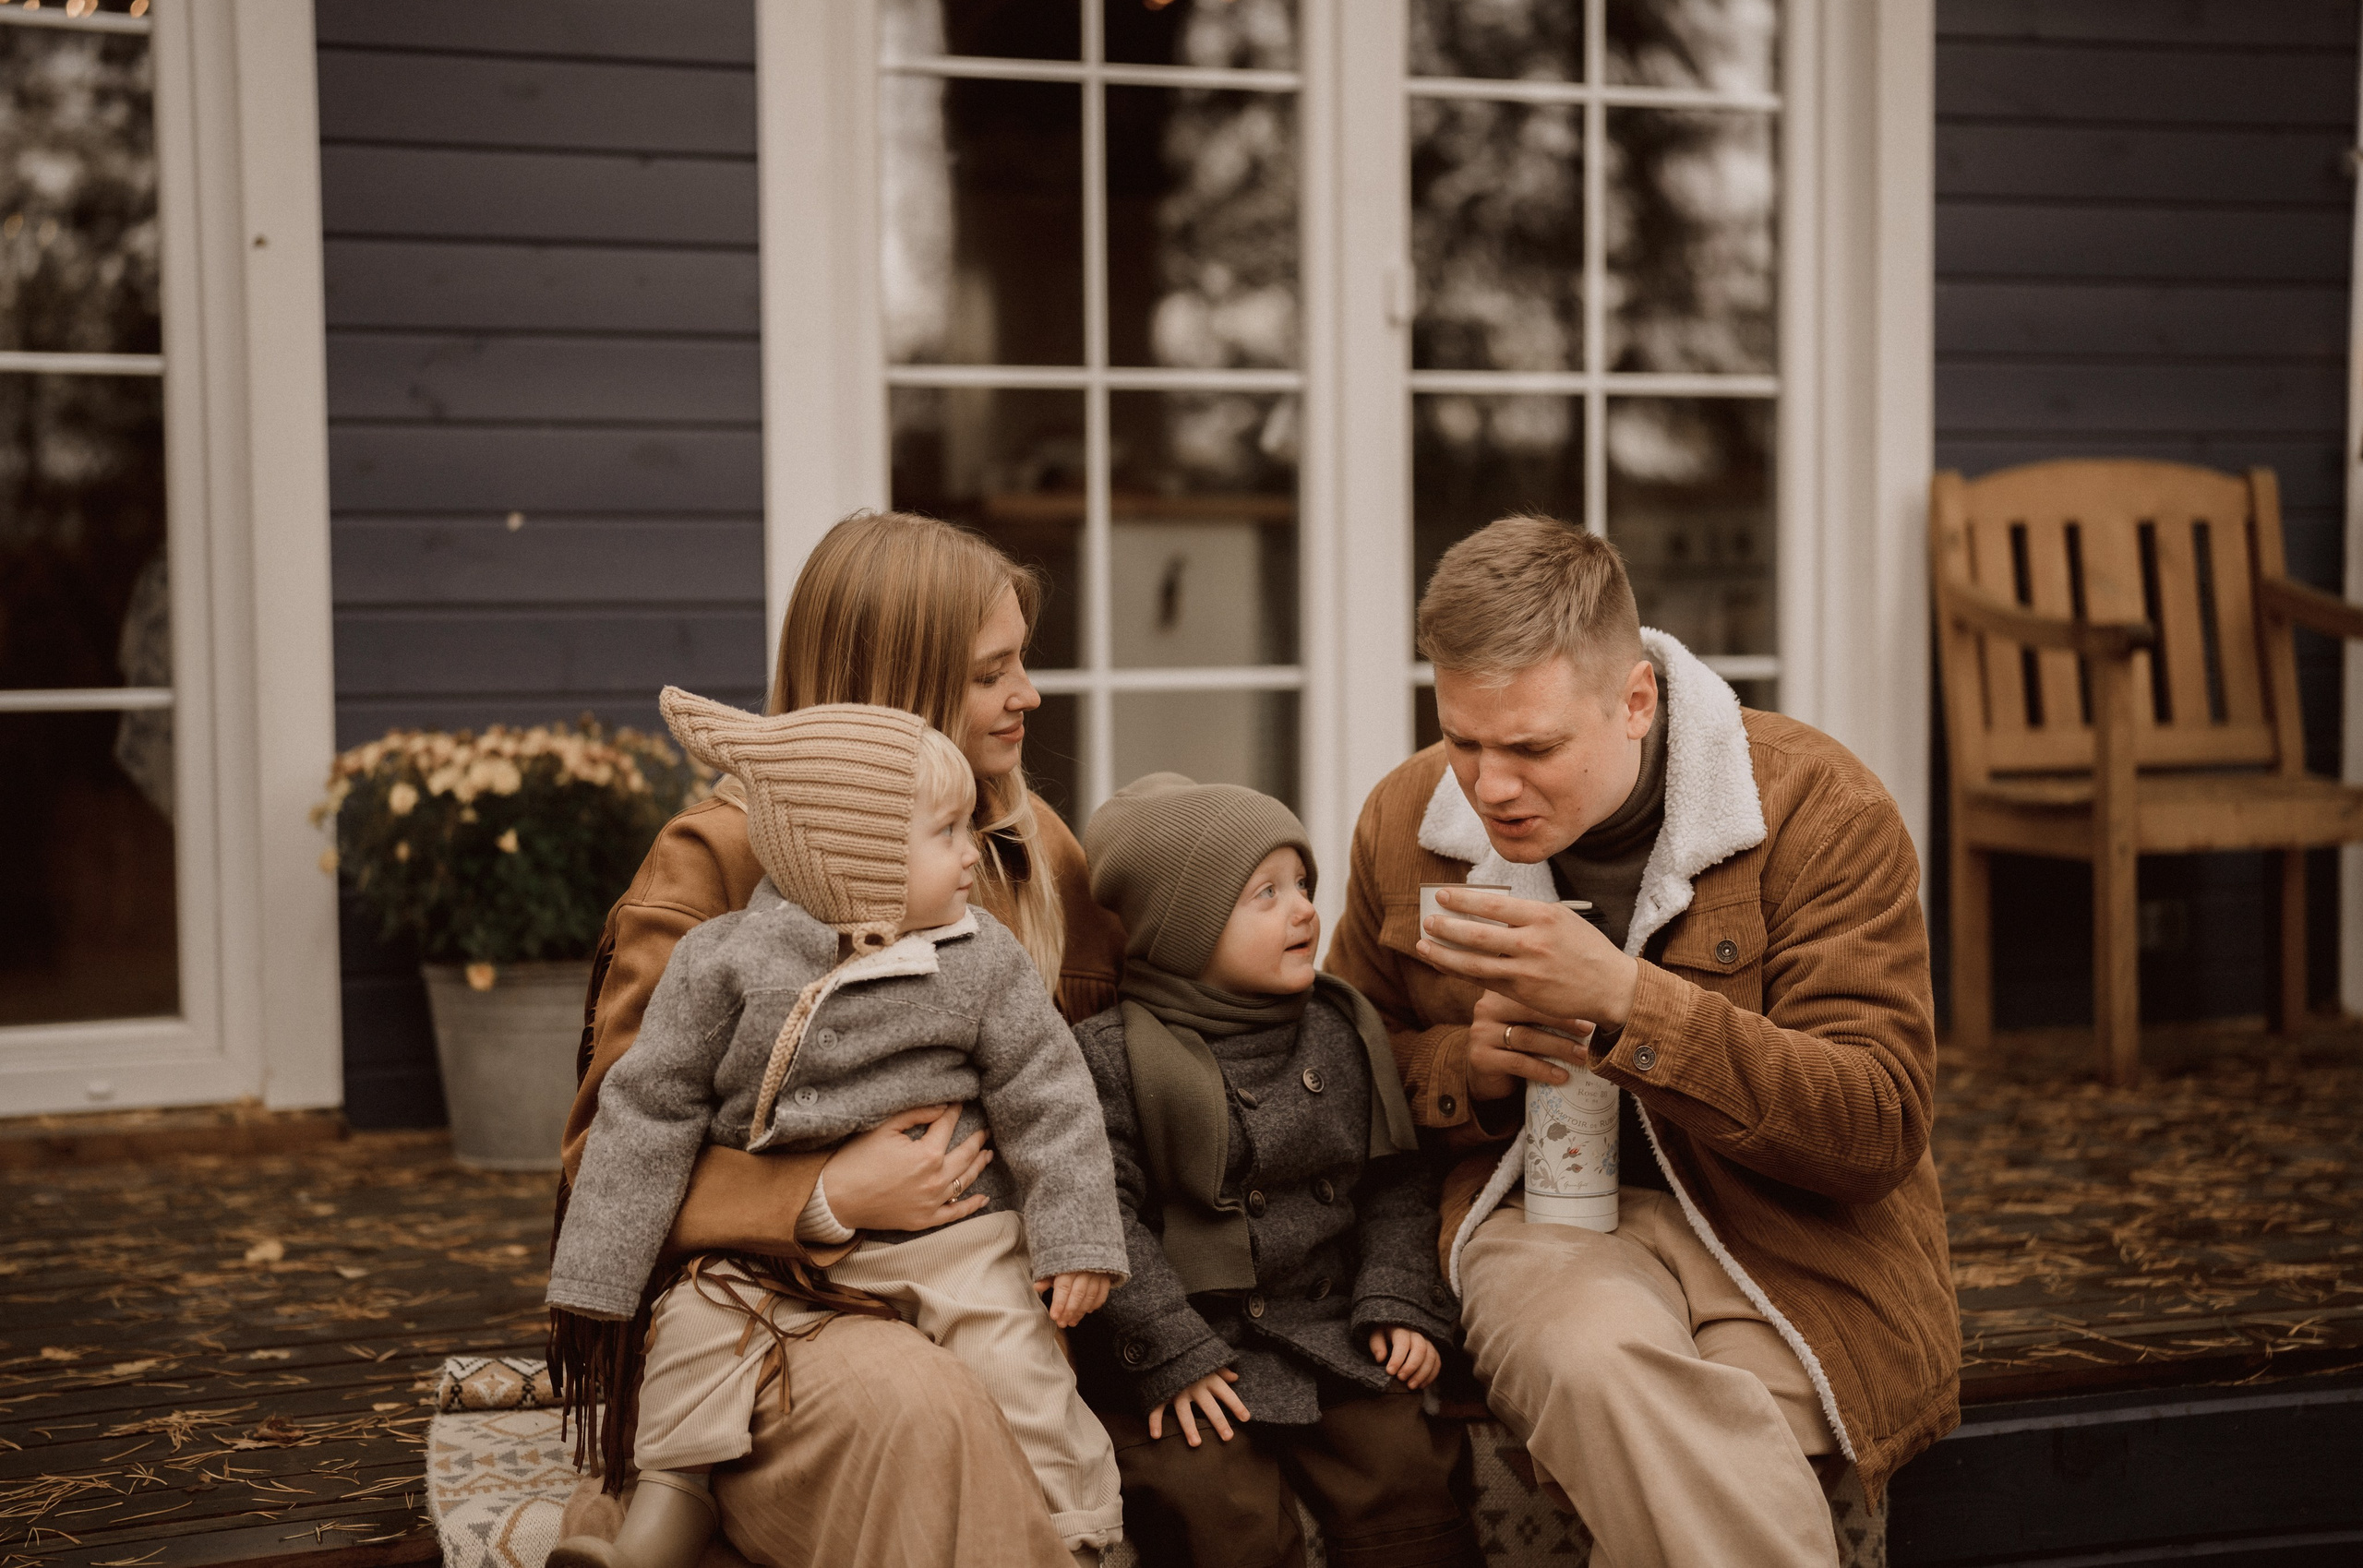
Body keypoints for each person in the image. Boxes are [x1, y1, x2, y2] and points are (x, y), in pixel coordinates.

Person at [1325, 516, 1959, 1567]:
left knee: (1696, 1431)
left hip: (1784, 1239)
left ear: (1635, 703)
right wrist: (1461, 1071)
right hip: (1535, 1217)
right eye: (1462, 740)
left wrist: (1627, 1000)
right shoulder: (1406, 819)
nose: (1487, 787)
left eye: (1531, 748)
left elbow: (1876, 1123)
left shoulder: (1817, 807)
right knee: (1596, 1363)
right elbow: (1333, 1065)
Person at [549, 512, 1129, 1568]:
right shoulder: (712, 865)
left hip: (988, 1272)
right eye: (991, 672)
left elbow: (1088, 1079)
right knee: (921, 1411)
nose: (1029, 696)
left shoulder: (1029, 849)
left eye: (1024, 664)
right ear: (892, 694)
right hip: (771, 1290)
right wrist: (821, 1196)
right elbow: (606, 1158)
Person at [1071, 774, 1481, 1568]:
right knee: (1212, 1498)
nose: (1303, 908)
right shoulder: (1111, 1056)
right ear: (1181, 929)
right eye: (1265, 893)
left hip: (1326, 1326)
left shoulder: (1338, 1026)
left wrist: (1395, 1300)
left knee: (1403, 1466)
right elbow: (1102, 1216)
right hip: (1191, 1340)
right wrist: (1169, 1351)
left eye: (1303, 883)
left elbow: (1393, 1182)